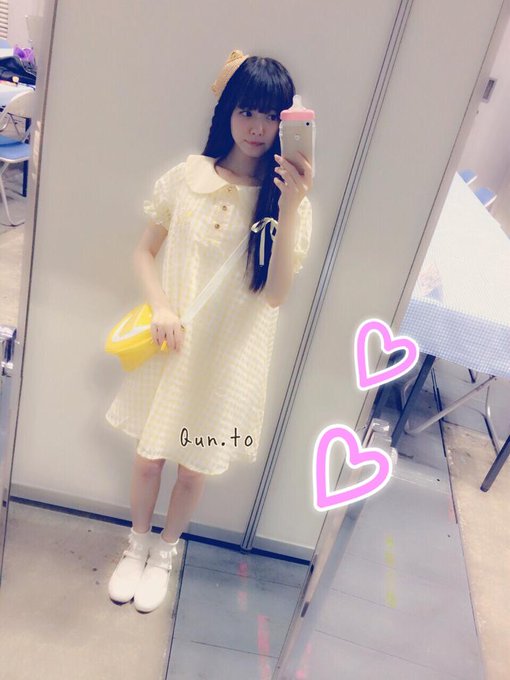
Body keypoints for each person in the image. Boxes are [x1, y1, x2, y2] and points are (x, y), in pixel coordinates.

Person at [105, 49, 313, 613]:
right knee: (148, 459)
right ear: (227, 112)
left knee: (192, 472)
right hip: (170, 347)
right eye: (246, 111)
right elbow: (144, 253)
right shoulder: (187, 178)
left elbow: (276, 295)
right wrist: (161, 308)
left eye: (269, 116)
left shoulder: (285, 202)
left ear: (283, 124)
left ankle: (166, 554)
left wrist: (293, 204)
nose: (257, 127)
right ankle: (137, 545)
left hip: (228, 360)